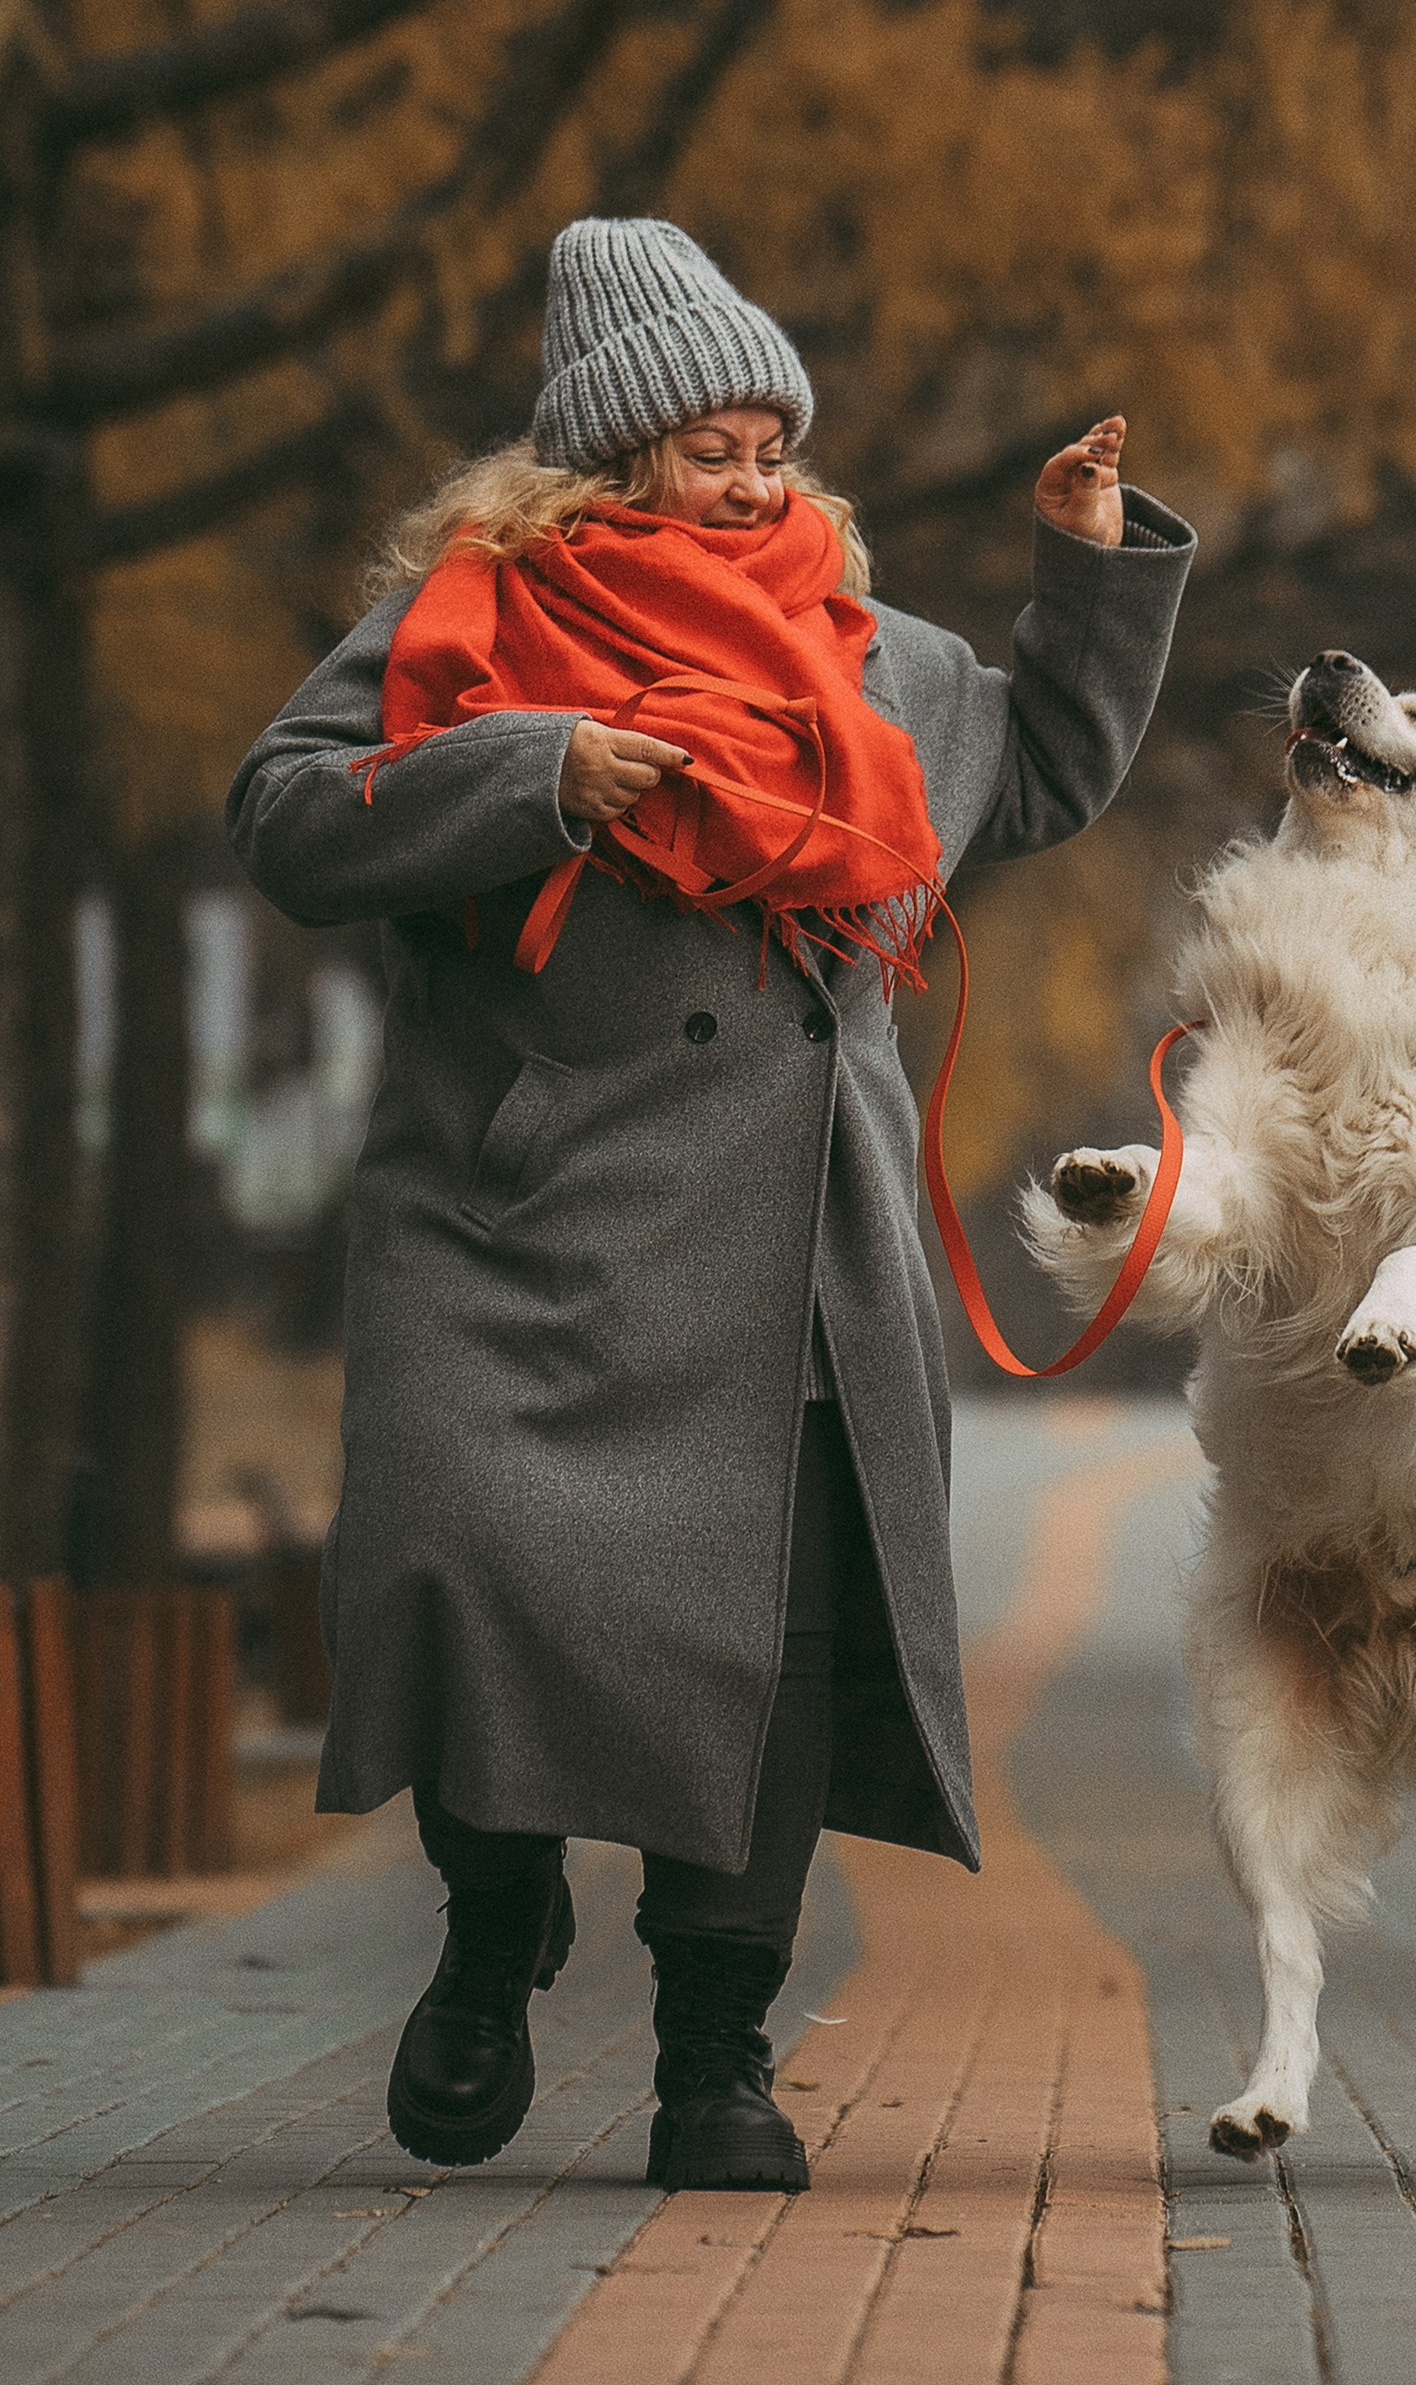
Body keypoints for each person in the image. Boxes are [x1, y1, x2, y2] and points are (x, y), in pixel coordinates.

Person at [227, 216, 1195, 2192]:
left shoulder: (863, 647)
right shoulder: (470, 623)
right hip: (517, 1223)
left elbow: (1036, 777)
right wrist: (531, 775)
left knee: (762, 1639)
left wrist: (1085, 563)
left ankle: (711, 2057)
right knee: (465, 1574)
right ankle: (491, 1939)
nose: (755, 479)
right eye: (710, 448)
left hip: (786, 1253)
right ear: (602, 462)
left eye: (772, 442)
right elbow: (288, 816)